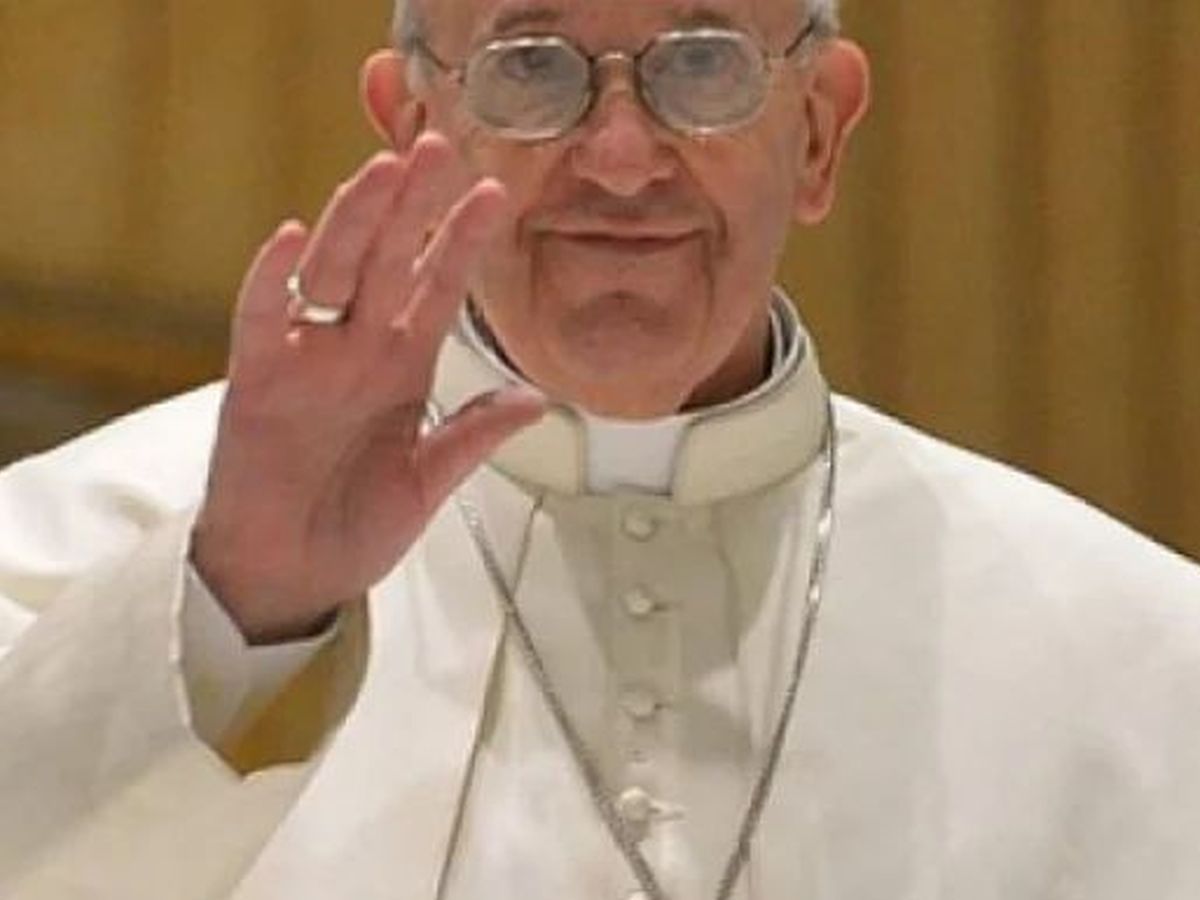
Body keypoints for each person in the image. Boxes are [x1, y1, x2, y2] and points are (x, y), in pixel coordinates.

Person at [1, 0, 1198, 897]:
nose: (622, 157)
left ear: (821, 131)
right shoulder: (82, 539)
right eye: (531, 66)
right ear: (415, 129)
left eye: (703, 65)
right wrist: (239, 610)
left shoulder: (1148, 661)